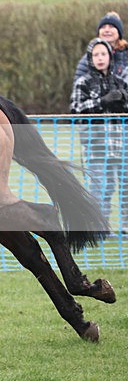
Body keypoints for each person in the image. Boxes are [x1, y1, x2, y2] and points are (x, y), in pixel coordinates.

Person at [70, 37, 128, 233]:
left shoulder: (120, 82)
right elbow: (76, 111)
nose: (100, 58)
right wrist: (102, 102)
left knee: (122, 186)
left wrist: (123, 102)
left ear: (110, 57)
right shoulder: (83, 83)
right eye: (96, 55)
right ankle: (98, 227)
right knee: (99, 187)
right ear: (90, 59)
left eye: (103, 54)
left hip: (120, 144)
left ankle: (125, 225)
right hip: (95, 145)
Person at [73, 12, 128, 83]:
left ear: (119, 32)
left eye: (111, 27)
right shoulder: (88, 58)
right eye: (103, 27)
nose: (107, 30)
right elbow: (78, 85)